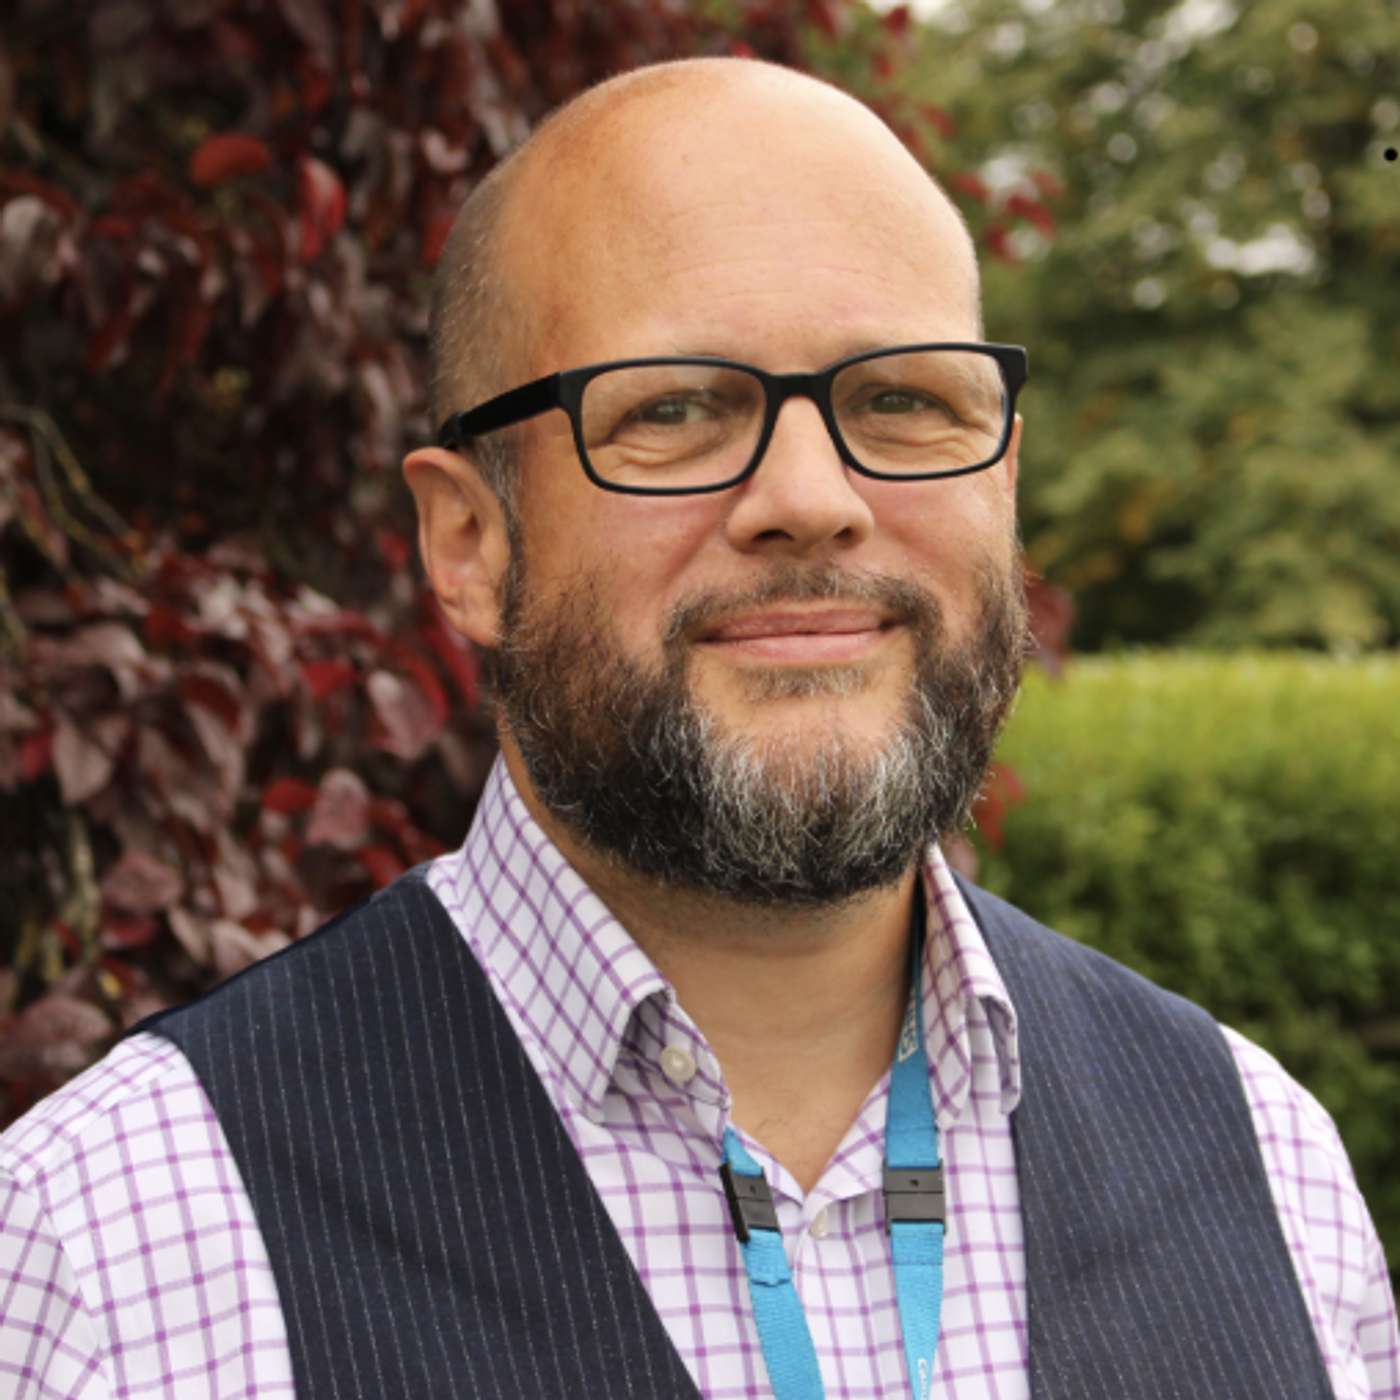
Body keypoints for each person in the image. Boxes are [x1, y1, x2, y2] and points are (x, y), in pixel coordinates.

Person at [1, 57, 1395, 1400]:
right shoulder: (117, 1248)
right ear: (469, 540)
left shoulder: (1266, 1167)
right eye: (674, 410)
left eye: (903, 402)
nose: (813, 499)